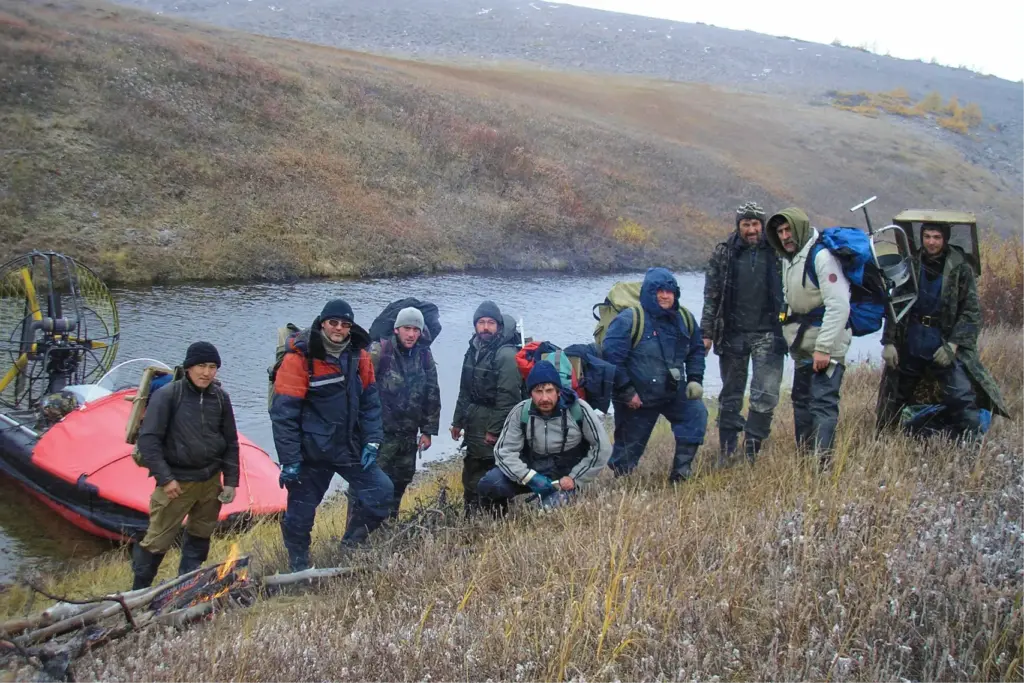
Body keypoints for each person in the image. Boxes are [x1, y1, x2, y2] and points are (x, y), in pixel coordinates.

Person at [271, 299, 393, 572]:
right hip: (310, 453)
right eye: (333, 322)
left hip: (347, 447)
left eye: (345, 324)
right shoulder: (299, 358)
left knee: (381, 493)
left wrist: (372, 440)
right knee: (298, 517)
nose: (339, 328)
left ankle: (351, 543)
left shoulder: (359, 355)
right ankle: (298, 566)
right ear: (323, 323)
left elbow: (371, 403)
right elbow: (283, 415)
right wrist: (290, 459)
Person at [876, 222, 1008, 436]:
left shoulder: (960, 267)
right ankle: (884, 440)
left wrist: (953, 345)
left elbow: (971, 311)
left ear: (944, 239)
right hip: (912, 339)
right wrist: (889, 342)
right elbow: (896, 304)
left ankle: (971, 442)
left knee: (961, 395)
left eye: (936, 237)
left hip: (943, 340)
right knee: (894, 396)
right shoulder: (911, 264)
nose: (931, 242)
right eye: (927, 236)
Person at [131, 342, 239, 589]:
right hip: (176, 484)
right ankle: (139, 594)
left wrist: (231, 481)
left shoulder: (220, 398)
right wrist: (166, 478)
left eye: (213, 367)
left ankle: (188, 587)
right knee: (156, 541)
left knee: (200, 535)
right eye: (201, 366)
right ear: (189, 367)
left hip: (211, 483)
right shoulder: (168, 396)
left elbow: (231, 442)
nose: (207, 372)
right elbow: (149, 441)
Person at [701, 201, 786, 464]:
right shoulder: (723, 253)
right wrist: (706, 333)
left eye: (755, 224)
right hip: (732, 333)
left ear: (763, 225)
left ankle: (752, 450)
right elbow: (711, 296)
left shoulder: (778, 253)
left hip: (769, 334)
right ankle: (727, 451)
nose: (751, 229)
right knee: (730, 394)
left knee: (766, 394)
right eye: (746, 224)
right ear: (738, 226)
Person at [604, 267, 708, 482]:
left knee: (696, 414)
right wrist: (626, 392)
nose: (664, 295)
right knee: (628, 449)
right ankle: (621, 484)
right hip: (637, 398)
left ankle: (681, 475)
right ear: (648, 293)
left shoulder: (686, 318)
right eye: (658, 290)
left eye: (670, 291)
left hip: (673, 392)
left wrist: (696, 379)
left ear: (675, 294)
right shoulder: (629, 320)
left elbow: (697, 349)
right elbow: (611, 359)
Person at [765, 208, 851, 465]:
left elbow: (839, 306)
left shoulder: (822, 257)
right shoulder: (788, 258)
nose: (784, 236)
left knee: (823, 404)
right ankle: (805, 460)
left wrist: (824, 348)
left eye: (788, 230)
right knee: (801, 402)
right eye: (780, 232)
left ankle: (821, 465)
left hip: (826, 349)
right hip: (803, 347)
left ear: (799, 228)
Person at [478, 360, 611, 507]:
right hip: (533, 471)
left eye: (549, 391)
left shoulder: (579, 409)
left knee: (547, 512)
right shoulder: (520, 411)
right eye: (538, 392)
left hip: (565, 476)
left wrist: (575, 478)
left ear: (558, 392)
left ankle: (559, 499)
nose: (544, 398)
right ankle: (498, 521)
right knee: (490, 484)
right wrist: (529, 477)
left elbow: (602, 448)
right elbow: (503, 452)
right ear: (530, 394)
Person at [369, 307, 441, 519]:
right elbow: (361, 393)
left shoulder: (425, 356)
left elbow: (432, 393)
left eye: (415, 330)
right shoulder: (379, 352)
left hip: (408, 437)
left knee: (400, 483)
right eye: (407, 328)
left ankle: (389, 526)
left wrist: (427, 431)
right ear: (396, 329)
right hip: (380, 436)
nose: (411, 334)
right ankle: (359, 535)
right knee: (370, 487)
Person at [450, 301, 522, 513]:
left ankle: (494, 516)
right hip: (474, 420)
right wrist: (457, 421)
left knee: (491, 469)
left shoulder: (506, 355)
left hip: (492, 422)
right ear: (475, 326)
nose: (485, 327)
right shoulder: (473, 348)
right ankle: (472, 514)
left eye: (490, 323)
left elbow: (507, 398)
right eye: (481, 322)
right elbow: (464, 389)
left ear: (498, 326)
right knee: (472, 466)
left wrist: (494, 429)